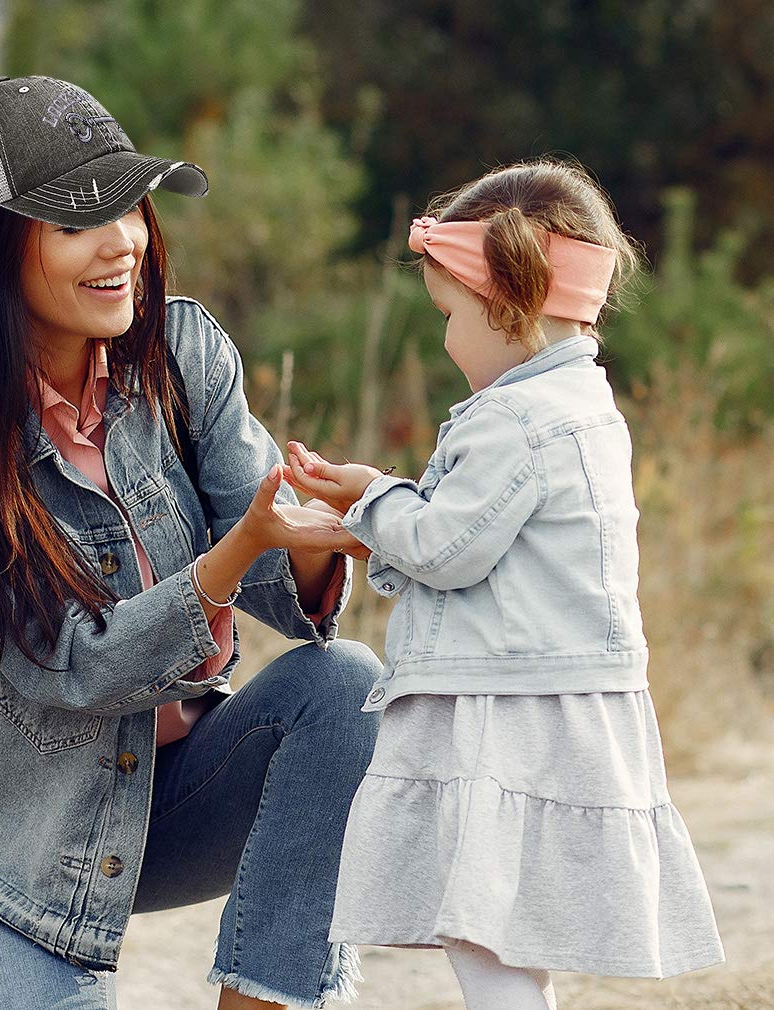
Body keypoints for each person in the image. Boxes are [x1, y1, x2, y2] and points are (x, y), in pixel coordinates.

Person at [0, 74, 382, 1010]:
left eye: (129, 203)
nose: (125, 239)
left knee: (349, 692)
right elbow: (65, 666)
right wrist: (231, 554)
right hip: (15, 855)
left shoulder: (181, 355)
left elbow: (273, 578)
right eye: (75, 221)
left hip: (175, 794)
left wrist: (304, 537)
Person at [283, 159, 725, 1010]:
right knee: (502, 929)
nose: (446, 340)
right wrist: (376, 498)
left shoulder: (516, 421)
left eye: (450, 315)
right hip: (553, 694)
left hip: (505, 711)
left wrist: (376, 502)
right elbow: (477, 535)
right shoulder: (583, 405)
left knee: (481, 924)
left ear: (511, 304)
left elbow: (447, 549)